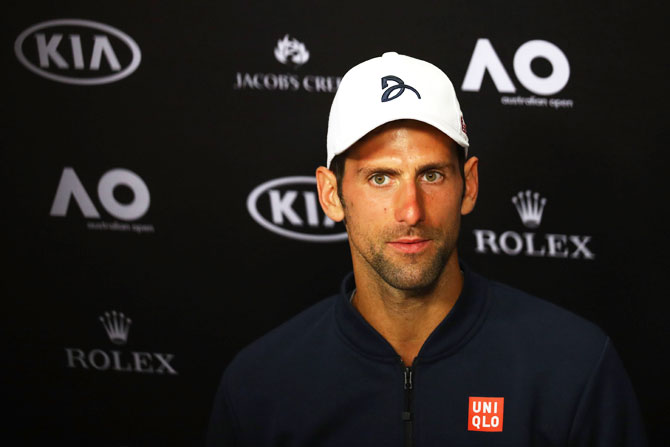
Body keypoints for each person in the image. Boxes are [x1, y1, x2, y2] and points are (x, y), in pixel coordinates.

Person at [207, 52, 647, 446]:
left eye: (432, 175)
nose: (411, 210)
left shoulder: (573, 367)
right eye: (381, 177)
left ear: (468, 185)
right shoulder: (260, 386)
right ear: (331, 194)